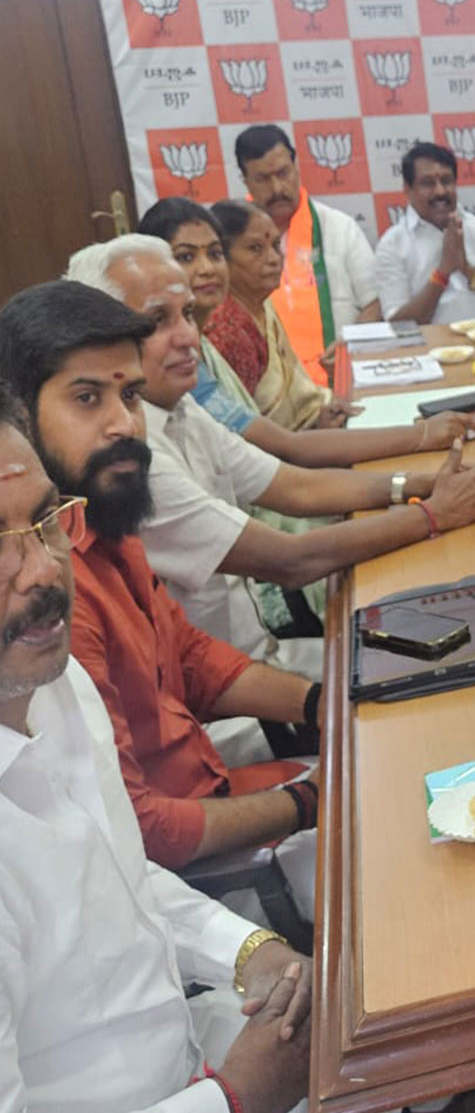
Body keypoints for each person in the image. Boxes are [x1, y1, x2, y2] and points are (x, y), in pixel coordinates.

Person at [0, 384, 397, 1113]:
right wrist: (232, 1105)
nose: (42, 571)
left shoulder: (53, 685)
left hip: (180, 1052)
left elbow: (116, 869)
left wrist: (252, 953)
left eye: (46, 522)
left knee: (386, 1049)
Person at [56, 239, 475, 675]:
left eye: (188, 315)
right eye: (157, 321)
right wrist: (433, 514)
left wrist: (423, 484)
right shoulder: (130, 453)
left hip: (257, 661)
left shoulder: (176, 405)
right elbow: (289, 559)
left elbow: (294, 485)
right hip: (229, 703)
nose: (188, 337)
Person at [0, 283, 322, 891]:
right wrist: (309, 802)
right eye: (88, 398)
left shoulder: (103, 519)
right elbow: (142, 832)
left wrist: (315, 704)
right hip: (214, 876)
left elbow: (190, 658)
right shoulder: (43, 596)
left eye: (130, 395)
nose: (124, 424)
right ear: (18, 415)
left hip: (225, 793)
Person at [136, 197, 475, 464]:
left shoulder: (245, 315)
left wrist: (316, 417)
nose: (207, 268)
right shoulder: (221, 333)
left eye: (213, 254)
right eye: (185, 257)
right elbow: (282, 452)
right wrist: (420, 436)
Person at [235, 123, 381, 387]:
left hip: (341, 381)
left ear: (296, 168)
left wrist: (350, 344)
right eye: (263, 179)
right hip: (268, 395)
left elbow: (374, 304)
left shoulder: (338, 227)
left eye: (283, 173)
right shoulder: (232, 240)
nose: (278, 187)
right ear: (246, 181)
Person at [204, 200, 351, 433]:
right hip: (285, 455)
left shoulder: (261, 305)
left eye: (275, 245)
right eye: (255, 249)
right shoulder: (227, 330)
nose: (274, 258)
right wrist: (314, 432)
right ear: (222, 256)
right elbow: (245, 435)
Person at [374, 142, 475, 325]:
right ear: (407, 189)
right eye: (428, 183)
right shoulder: (393, 245)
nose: (440, 191)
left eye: (446, 181)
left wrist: (469, 271)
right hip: (427, 351)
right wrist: (442, 273)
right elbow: (398, 325)